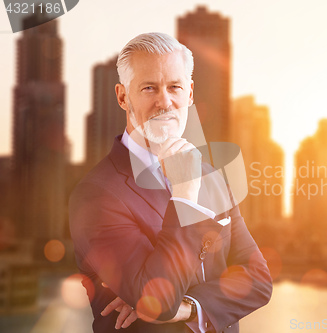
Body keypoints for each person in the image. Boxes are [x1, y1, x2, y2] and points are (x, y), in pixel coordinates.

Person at [69, 32, 272, 333]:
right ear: (123, 96)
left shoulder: (212, 178)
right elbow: (158, 301)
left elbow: (258, 281)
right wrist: (186, 196)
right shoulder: (97, 195)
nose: (165, 102)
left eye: (174, 87)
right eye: (149, 88)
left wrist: (189, 308)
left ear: (189, 93)